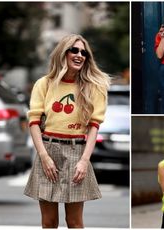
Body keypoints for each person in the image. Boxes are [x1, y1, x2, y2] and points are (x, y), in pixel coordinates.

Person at [24, 34, 110, 228]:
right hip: (48, 150)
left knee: (74, 222)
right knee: (49, 222)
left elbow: (94, 126)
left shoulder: (93, 87)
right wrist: (44, 156)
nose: (80, 55)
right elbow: (34, 121)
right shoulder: (44, 84)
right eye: (74, 50)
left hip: (76, 152)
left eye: (84, 52)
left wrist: (84, 161)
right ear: (63, 53)